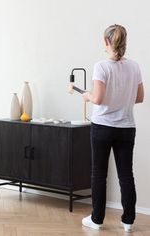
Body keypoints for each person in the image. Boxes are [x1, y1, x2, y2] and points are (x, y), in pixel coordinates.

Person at [82, 24, 144, 232]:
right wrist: (121, 98)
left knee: (99, 174)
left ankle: (97, 220)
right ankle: (128, 221)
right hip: (127, 127)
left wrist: (87, 95)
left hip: (102, 127)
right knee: (126, 174)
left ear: (106, 42)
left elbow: (98, 98)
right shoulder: (135, 67)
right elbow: (140, 97)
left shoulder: (101, 66)